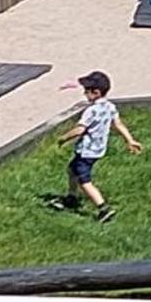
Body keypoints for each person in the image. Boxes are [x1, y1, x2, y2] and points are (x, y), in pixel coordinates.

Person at [47, 71, 142, 222]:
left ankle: (103, 208)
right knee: (72, 169)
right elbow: (118, 125)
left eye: (87, 90)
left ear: (96, 92)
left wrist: (64, 138)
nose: (84, 93)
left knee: (84, 181)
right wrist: (130, 140)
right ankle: (71, 197)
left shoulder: (91, 111)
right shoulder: (110, 107)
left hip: (86, 151)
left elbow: (80, 129)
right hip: (98, 149)